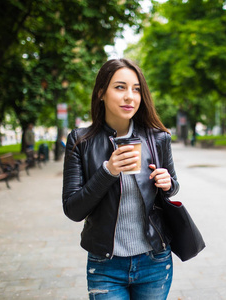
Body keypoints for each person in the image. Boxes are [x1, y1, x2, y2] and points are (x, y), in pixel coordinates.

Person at [62, 58, 179, 300]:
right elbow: (73, 210)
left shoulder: (158, 138)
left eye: (136, 89)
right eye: (120, 87)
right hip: (105, 265)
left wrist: (168, 183)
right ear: (101, 93)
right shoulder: (80, 141)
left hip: (154, 261)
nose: (130, 96)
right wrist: (108, 171)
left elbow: (172, 188)